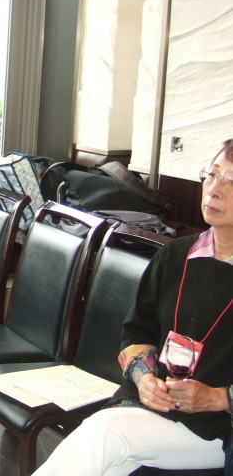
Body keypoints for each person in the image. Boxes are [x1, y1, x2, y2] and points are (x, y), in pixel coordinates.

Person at [34, 138, 233, 475]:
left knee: (107, 432)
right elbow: (137, 331)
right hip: (151, 408)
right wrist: (144, 380)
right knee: (106, 456)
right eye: (212, 175)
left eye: (231, 182)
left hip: (214, 429)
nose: (214, 190)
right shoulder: (175, 254)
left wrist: (216, 398)